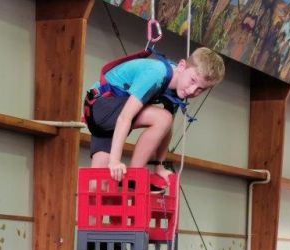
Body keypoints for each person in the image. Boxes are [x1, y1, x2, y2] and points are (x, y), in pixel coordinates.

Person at [84, 47, 225, 188]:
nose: (192, 90)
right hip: (101, 107)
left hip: (107, 122)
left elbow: (167, 129)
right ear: (182, 66)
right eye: (193, 80)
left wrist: (159, 166)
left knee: (98, 186)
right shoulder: (157, 74)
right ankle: (134, 177)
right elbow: (125, 117)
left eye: (200, 89)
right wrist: (115, 160)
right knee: (163, 118)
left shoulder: (179, 89)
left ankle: (122, 185)